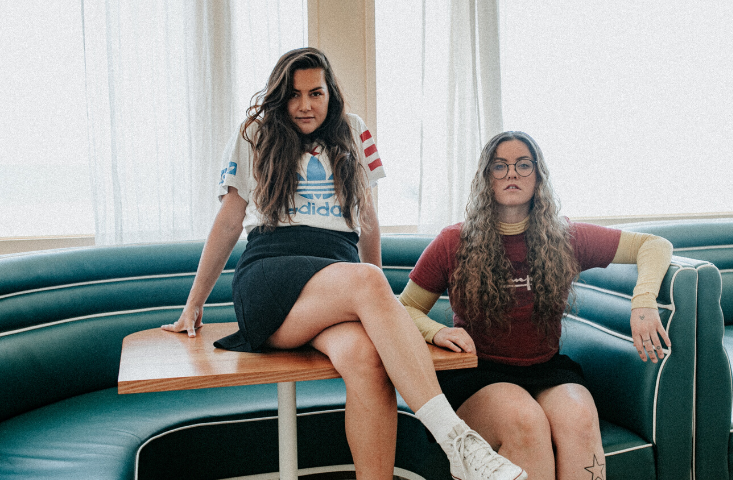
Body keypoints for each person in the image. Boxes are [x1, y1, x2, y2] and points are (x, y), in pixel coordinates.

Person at [161, 48, 526, 480]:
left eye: (315, 93)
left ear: (330, 93)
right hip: (270, 278)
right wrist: (194, 304)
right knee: (368, 281)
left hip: (334, 283)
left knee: (367, 359)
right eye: (294, 94)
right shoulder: (254, 133)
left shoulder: (354, 132)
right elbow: (228, 221)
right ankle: (457, 441)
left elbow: (367, 220)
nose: (305, 105)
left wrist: (380, 308)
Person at [399, 131, 673, 480]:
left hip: (547, 369)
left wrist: (643, 302)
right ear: (486, 177)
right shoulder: (453, 241)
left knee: (580, 421)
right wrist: (437, 332)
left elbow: (654, 245)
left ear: (538, 175)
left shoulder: (565, 236)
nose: (512, 173)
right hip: (478, 374)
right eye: (500, 166)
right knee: (525, 422)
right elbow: (404, 308)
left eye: (523, 165)